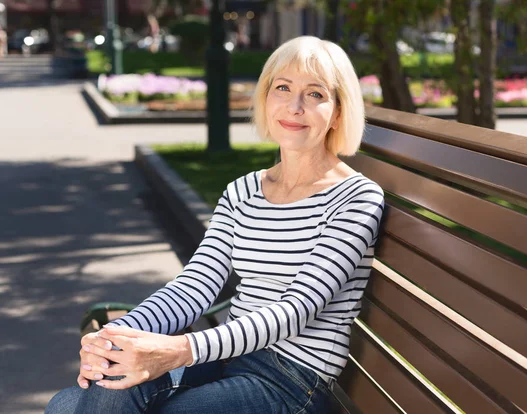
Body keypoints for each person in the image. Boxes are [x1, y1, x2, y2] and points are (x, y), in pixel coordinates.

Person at [46, 35, 384, 414]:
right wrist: (114, 338)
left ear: (338, 111)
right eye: (283, 88)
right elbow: (196, 285)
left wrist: (180, 350)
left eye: (315, 94)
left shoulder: (356, 199)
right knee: (93, 385)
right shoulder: (243, 192)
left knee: (76, 405)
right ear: (266, 97)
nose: (294, 106)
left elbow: (297, 309)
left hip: (291, 381)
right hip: (228, 359)